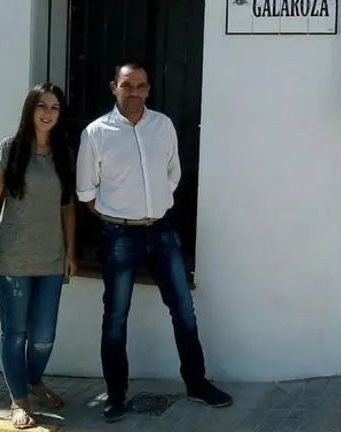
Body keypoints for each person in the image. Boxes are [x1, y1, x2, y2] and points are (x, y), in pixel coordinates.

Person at [75, 61, 232, 423]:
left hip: (162, 231)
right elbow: (86, 192)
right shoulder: (96, 133)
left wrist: (154, 206)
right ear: (114, 87)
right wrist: (118, 215)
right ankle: (116, 394)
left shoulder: (162, 126)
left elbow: (173, 174)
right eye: (127, 85)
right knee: (116, 317)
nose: (135, 92)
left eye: (141, 86)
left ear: (148, 89)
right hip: (119, 236)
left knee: (183, 310)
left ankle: (196, 383)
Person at [0, 82, 77, 429]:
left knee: (43, 336)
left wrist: (70, 251)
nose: (48, 113)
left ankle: (34, 380)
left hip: (51, 260)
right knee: (15, 333)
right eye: (42, 106)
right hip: (13, 260)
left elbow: (68, 207)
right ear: (30, 110)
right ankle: (19, 400)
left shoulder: (63, 153)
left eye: (55, 107)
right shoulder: (11, 149)